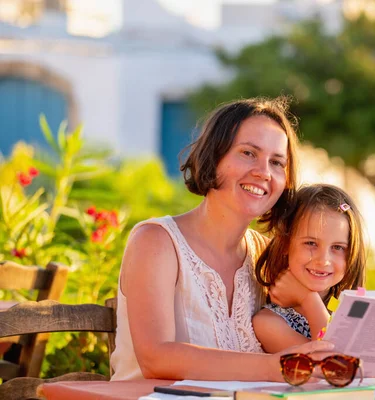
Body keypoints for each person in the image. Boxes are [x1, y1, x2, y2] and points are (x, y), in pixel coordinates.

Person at [110, 97, 334, 381]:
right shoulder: (156, 241)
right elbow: (156, 358)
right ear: (214, 156)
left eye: (277, 162)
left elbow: (329, 352)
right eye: (248, 153)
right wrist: (275, 367)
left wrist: (307, 299)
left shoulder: (266, 257)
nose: (263, 172)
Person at [252, 184, 367, 353]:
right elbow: (333, 364)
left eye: (338, 247)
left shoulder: (355, 309)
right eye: (311, 243)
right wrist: (308, 299)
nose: (323, 260)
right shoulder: (268, 323)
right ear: (286, 243)